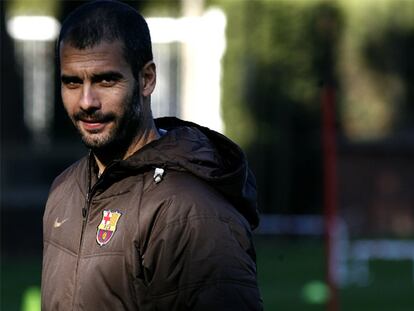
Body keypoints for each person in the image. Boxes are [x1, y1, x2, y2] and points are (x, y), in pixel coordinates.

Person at [41, 1, 262, 310]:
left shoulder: (193, 212)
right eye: (73, 82)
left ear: (146, 79)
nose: (87, 101)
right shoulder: (65, 190)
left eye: (106, 80)